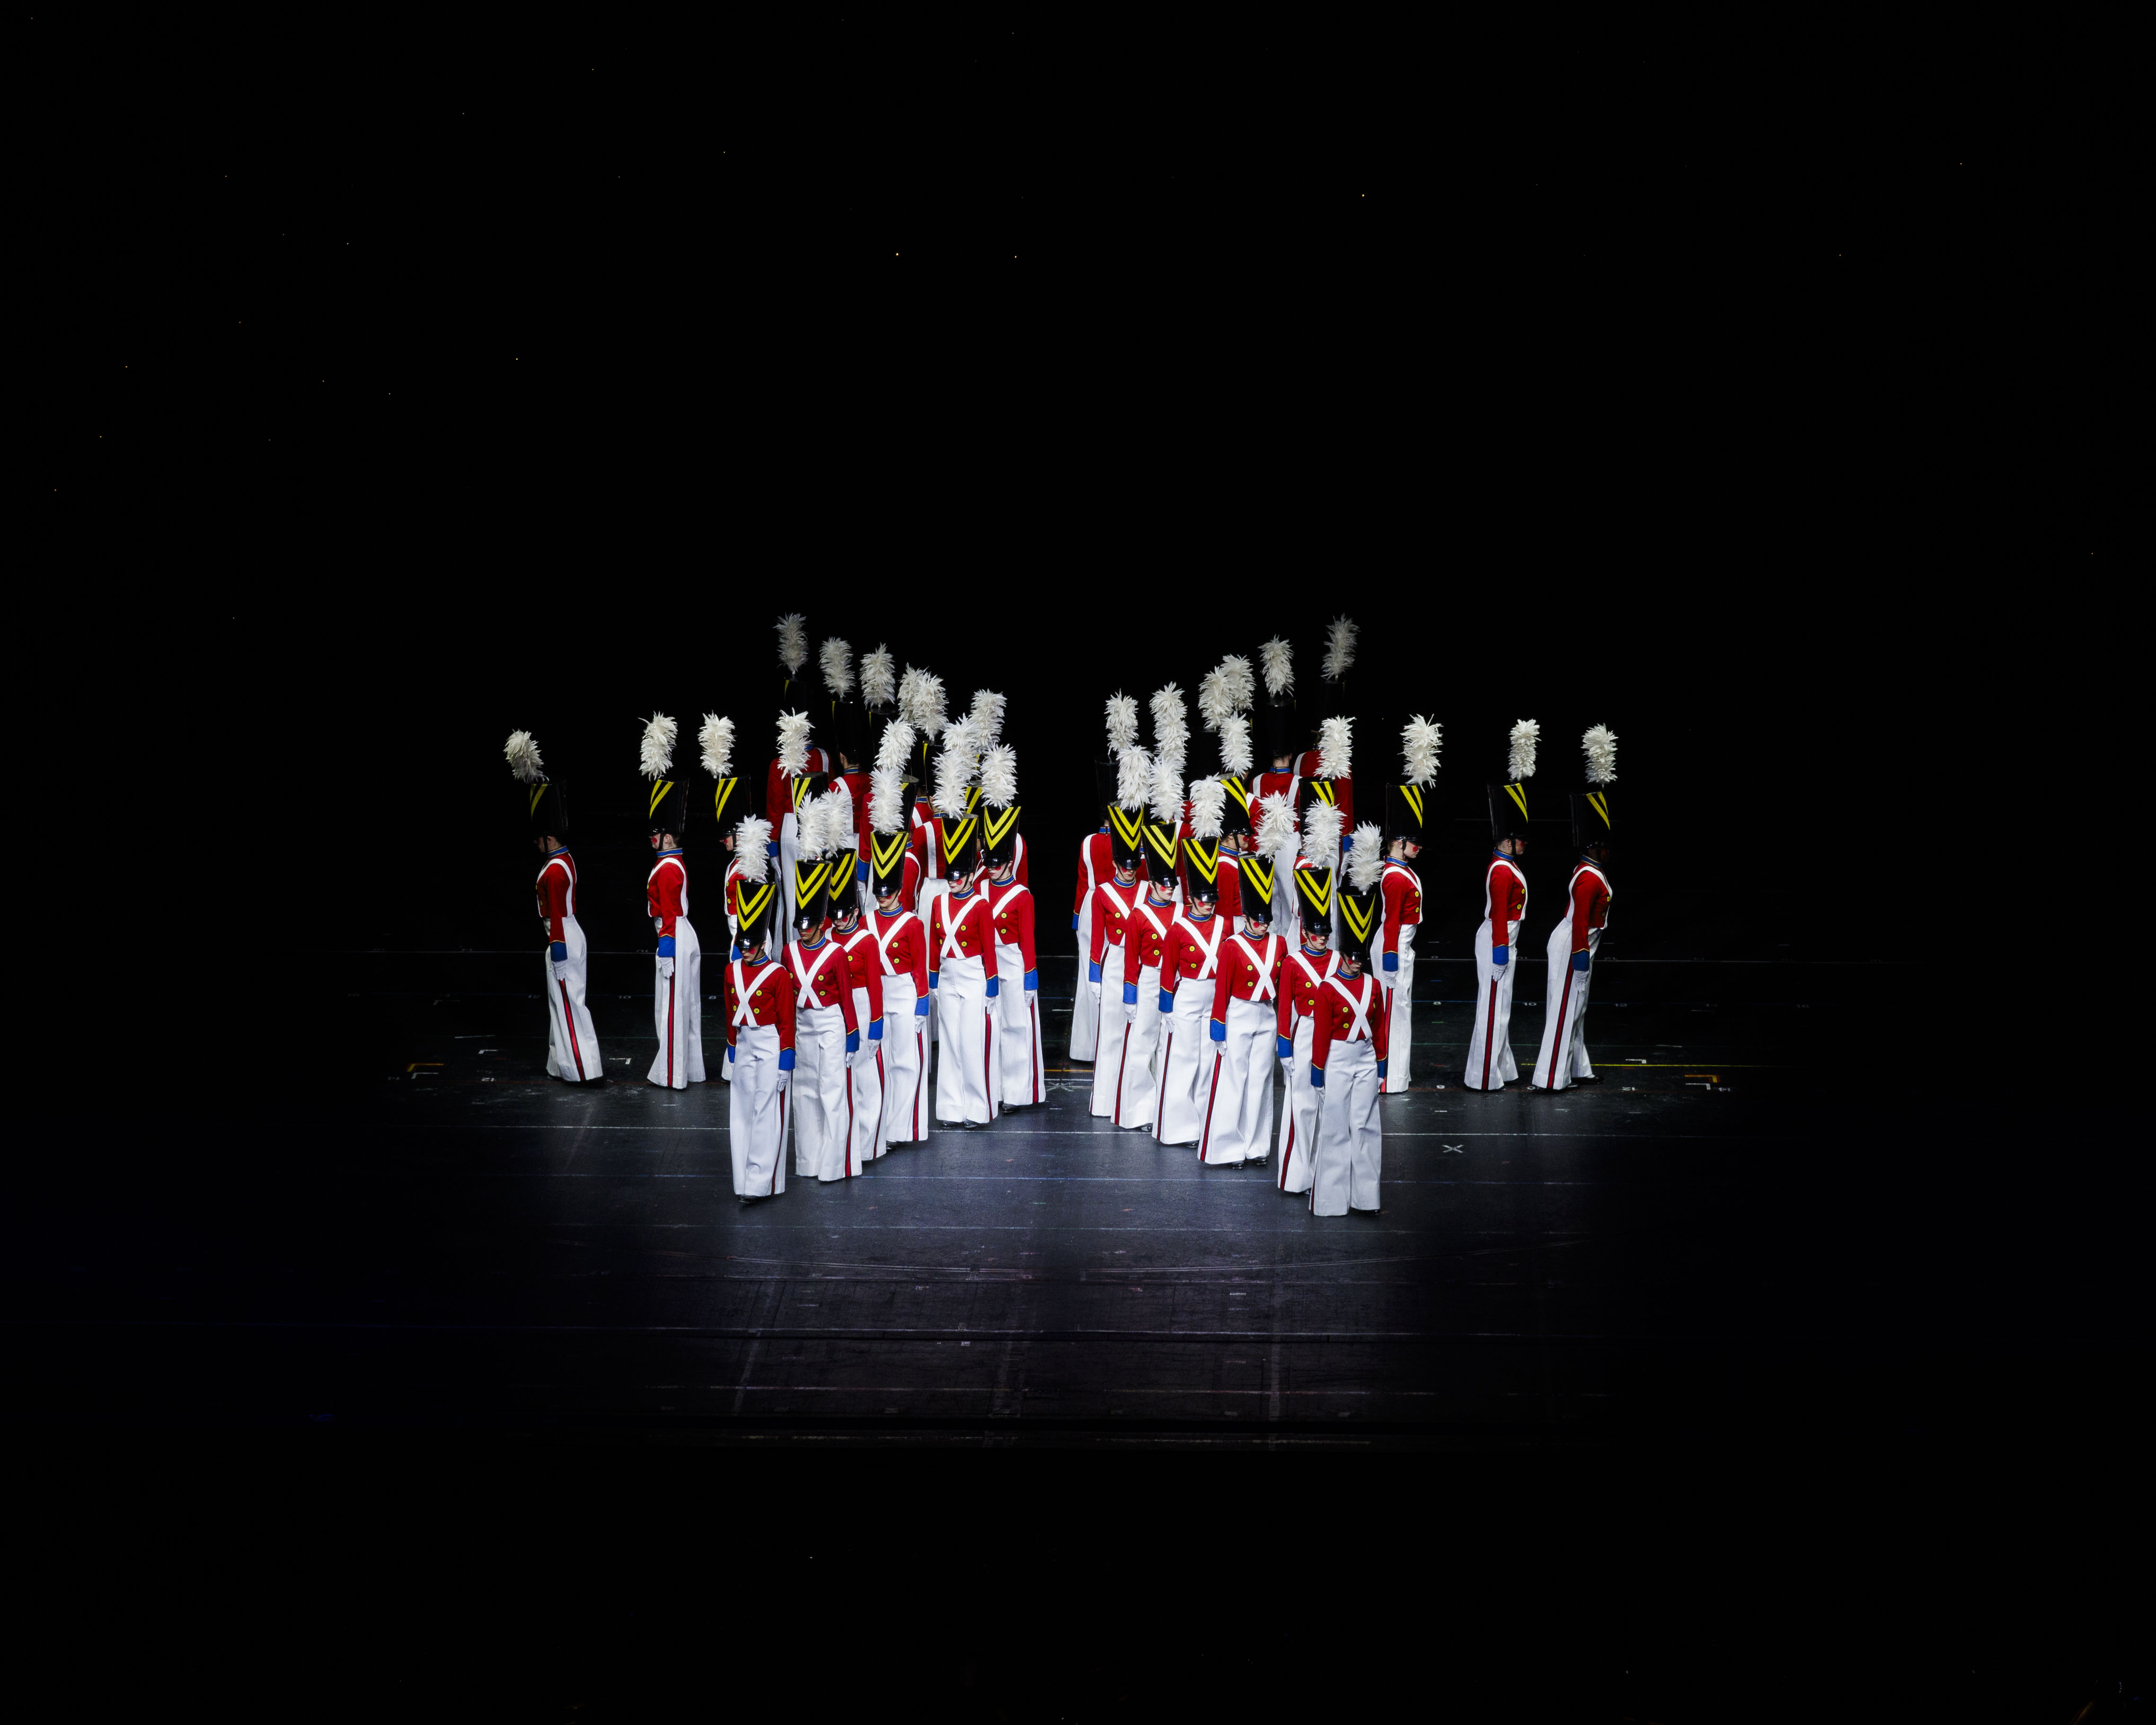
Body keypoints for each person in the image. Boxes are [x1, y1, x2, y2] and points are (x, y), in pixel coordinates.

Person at [508, 730, 603, 1084]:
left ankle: (583, 1069)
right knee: (560, 1005)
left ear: (549, 836)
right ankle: (561, 1063)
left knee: (570, 1004)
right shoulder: (566, 860)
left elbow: (557, 915)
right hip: (566, 934)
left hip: (563, 937)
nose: (536, 842)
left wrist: (558, 951)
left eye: (539, 837)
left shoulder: (553, 870)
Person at [1198, 803, 1286, 1168]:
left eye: (1266, 920)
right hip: (1237, 1013)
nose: (1263, 925)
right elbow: (1222, 990)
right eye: (1257, 919)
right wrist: (1218, 1024)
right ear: (1248, 917)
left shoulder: (1279, 944)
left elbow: (1282, 989)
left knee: (1261, 1081)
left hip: (1266, 1015)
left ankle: (1257, 1146)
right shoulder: (1232, 946)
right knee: (1235, 1080)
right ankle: (1229, 1146)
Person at [1308, 830, 1389, 1216]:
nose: (1356, 962)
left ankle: (1366, 1197)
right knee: (1337, 1127)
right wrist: (1318, 1072)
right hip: (1338, 1058)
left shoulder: (1373, 986)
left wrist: (1383, 1063)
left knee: (1368, 1126)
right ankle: (1330, 1200)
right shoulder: (1327, 989)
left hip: (1366, 1058)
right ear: (1342, 953)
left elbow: (1381, 1027)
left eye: (1360, 956)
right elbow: (1321, 1035)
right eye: (1351, 956)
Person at [783, 794, 862, 1180]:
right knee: (805, 1094)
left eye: (808, 923)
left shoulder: (835, 953)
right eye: (800, 923)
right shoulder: (788, 951)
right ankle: (810, 1160)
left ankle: (835, 1163)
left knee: (832, 1094)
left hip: (831, 1025)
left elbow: (847, 999)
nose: (802, 929)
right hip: (802, 1029)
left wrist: (852, 1036)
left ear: (819, 922)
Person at [1533, 725, 1616, 1093]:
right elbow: (1581, 917)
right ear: (1596, 847)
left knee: (1576, 1012)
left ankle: (1578, 1067)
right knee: (1566, 1010)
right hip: (1574, 944)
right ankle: (1552, 1076)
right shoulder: (1589, 878)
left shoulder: (1591, 870)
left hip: (1579, 944)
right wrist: (1581, 955)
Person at [1155, 779, 1231, 1147]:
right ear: (1192, 897)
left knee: (1205, 1063)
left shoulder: (1225, 925)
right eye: (1201, 898)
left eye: (1211, 898)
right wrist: (1166, 1006)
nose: (1207, 904)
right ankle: (1177, 1128)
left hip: (1213, 997)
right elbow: (1168, 970)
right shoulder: (1178, 927)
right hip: (1186, 998)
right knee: (1182, 1060)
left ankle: (1203, 1124)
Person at [1465, 721, 1537, 1092]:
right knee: (1493, 1008)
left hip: (1504, 938)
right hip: (1498, 938)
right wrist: (1498, 950)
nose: (1525, 844)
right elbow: (1497, 913)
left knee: (1502, 1008)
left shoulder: (1508, 865)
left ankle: (1502, 1069)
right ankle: (1481, 1075)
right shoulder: (1501, 870)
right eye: (1520, 839)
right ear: (1509, 839)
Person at [1275, 798, 1342, 1194]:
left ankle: (1326, 1173)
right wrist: (1285, 1045)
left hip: (1331, 1035)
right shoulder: (1296, 960)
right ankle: (1297, 1173)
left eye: (1324, 932)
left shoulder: (1334, 959)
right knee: (1300, 1101)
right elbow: (1286, 1005)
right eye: (1314, 932)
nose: (1319, 936)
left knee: (1330, 1104)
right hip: (1304, 1033)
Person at [866, 741, 932, 1145]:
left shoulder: (910, 922)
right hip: (883, 992)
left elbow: (920, 965)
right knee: (885, 1060)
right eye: (882, 890)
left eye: (891, 891)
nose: (886, 896)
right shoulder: (871, 919)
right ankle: (884, 1127)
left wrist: (923, 1001)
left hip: (906, 991)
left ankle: (905, 1129)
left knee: (907, 1061)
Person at [723, 833, 795, 1202]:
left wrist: (786, 1059)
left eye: (752, 946)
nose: (746, 952)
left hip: (769, 1044)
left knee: (768, 1112)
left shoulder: (779, 974)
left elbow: (787, 1022)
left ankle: (762, 1183)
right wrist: (732, 1048)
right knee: (742, 1114)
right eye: (743, 946)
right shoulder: (732, 970)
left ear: (763, 941)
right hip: (746, 1043)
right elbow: (730, 1014)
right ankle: (743, 1181)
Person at [1113, 770, 1182, 1132]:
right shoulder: (1139, 915)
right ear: (1153, 882)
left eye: (1173, 884)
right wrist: (1130, 995)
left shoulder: (1181, 913)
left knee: (1171, 1050)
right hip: (1149, 981)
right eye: (1164, 884)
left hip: (1177, 984)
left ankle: (1167, 1111)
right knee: (1141, 1046)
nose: (1169, 890)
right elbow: (1130, 960)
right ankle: (1138, 1111)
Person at [641, 714, 706, 1090]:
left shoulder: (666, 868)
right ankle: (688, 1068)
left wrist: (665, 947)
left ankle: (671, 1073)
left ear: (668, 837)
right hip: (683, 933)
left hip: (674, 936)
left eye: (657, 832)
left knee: (671, 1009)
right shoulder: (673, 862)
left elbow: (668, 911)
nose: (652, 838)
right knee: (686, 1007)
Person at [1376, 716, 1439, 1095]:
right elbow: (1392, 921)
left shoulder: (1403, 870)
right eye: (1412, 841)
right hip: (1393, 945)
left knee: (1401, 1012)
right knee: (1392, 1014)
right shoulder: (1396, 876)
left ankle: (1396, 1075)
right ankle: (1386, 1076)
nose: (1418, 846)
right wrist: (1389, 956)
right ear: (1399, 841)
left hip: (1401, 945)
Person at [980, 746, 1043, 1110]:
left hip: (1016, 963)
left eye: (998, 862)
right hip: (988, 964)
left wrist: (1031, 977)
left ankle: (1020, 1092)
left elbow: (1028, 941)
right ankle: (998, 1089)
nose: (992, 867)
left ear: (1010, 862)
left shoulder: (1022, 895)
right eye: (989, 861)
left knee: (1018, 1027)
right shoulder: (981, 889)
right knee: (993, 1028)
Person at [827, 790, 888, 1168]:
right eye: (833, 916)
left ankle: (871, 1144)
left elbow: (876, 986)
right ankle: (849, 1144)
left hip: (865, 1007)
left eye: (842, 915)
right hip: (839, 1010)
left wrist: (877, 1025)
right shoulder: (831, 938)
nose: (837, 922)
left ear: (853, 911)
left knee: (868, 1079)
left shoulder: (866, 938)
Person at [1087, 746, 1148, 1121]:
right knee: (1110, 1034)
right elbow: (1097, 939)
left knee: (1140, 1038)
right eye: (1123, 866)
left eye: (1133, 865)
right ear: (1114, 862)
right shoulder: (1103, 893)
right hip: (1113, 965)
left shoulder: (1145, 890)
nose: (1128, 871)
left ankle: (1136, 1104)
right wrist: (1095, 974)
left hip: (1139, 966)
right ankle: (1105, 1101)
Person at [928, 817, 1000, 1129]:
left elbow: (989, 950)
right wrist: (933, 980)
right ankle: (950, 1108)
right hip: (947, 976)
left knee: (972, 1042)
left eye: (961, 876)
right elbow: (934, 944)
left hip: (973, 975)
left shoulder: (981, 905)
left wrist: (992, 987)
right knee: (950, 1042)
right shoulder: (938, 902)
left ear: (972, 875)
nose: (954, 881)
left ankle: (977, 1109)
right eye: (951, 876)